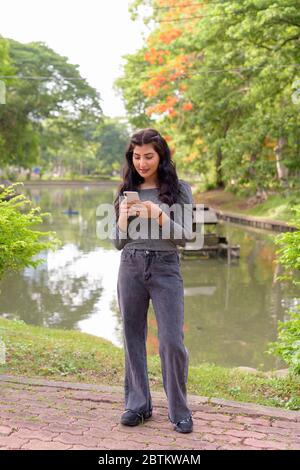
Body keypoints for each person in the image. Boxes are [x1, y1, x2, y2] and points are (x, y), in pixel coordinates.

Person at [110, 128, 194, 434]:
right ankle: (138, 405)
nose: (142, 163)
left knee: (172, 341)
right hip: (130, 265)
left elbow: (187, 236)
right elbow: (117, 241)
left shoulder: (180, 190)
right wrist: (122, 217)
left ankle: (179, 411)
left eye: (148, 156)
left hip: (165, 266)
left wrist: (159, 215)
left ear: (161, 156)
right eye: (136, 156)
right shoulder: (124, 192)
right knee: (132, 337)